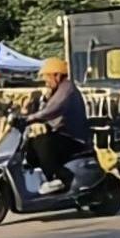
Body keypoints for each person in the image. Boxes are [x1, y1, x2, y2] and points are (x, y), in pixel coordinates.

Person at [24, 57, 90, 195]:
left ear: (57, 75)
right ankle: (40, 178)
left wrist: (31, 118)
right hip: (62, 135)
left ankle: (57, 178)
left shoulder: (67, 88)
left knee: (42, 142)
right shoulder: (56, 91)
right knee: (30, 143)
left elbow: (53, 109)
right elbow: (45, 109)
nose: (46, 82)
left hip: (74, 138)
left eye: (47, 77)